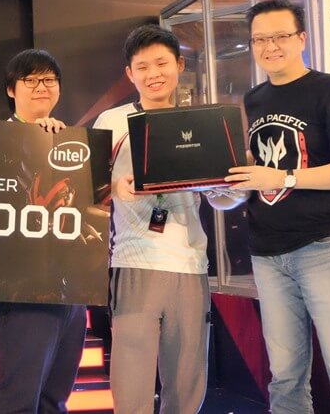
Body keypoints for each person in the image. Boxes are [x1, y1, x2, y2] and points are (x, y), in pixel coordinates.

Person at [224, 0, 330, 413]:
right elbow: (265, 164)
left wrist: (284, 178)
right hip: (267, 253)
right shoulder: (255, 98)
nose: (270, 46)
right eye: (260, 39)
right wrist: (228, 180)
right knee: (285, 378)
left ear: (301, 39)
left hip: (327, 247)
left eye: (280, 36)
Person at [94, 25, 230, 413]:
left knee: (186, 384)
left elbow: (224, 197)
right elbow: (87, 189)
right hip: (133, 261)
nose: (153, 74)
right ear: (129, 74)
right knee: (131, 382)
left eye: (161, 63)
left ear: (180, 65)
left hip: (189, 263)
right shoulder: (112, 122)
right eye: (142, 66)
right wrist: (114, 188)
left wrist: (227, 187)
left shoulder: (202, 123)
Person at [0, 48, 86, 414]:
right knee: (19, 398)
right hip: (20, 291)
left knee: (54, 398)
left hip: (71, 289)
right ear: (11, 90)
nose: (41, 86)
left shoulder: (74, 144)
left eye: (49, 80)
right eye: (30, 80)